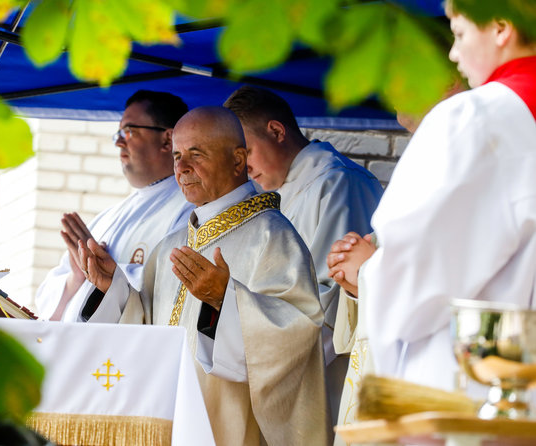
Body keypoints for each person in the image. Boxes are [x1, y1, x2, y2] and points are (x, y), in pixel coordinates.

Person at [77, 106, 331, 446]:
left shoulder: (271, 237)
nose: (181, 168)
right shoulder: (170, 244)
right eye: (178, 155)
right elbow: (149, 330)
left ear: (238, 160)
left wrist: (225, 301)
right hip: (168, 421)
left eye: (196, 154)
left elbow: (297, 336)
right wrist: (114, 288)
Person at [358, 0, 536, 393]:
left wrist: (369, 272)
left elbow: (413, 280)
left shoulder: (473, 117)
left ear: (501, 28)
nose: (454, 55)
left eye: (459, 34)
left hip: (469, 384)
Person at [223, 86, 383, 424]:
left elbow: (332, 297)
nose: (244, 168)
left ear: (277, 131)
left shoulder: (336, 182)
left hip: (315, 377)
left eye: (247, 151)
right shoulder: (279, 192)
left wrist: (269, 373)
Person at [34, 90, 194, 321]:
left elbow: (172, 284)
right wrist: (78, 277)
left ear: (167, 140)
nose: (118, 142)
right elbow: (47, 304)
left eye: (129, 131)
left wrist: (105, 272)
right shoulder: (106, 219)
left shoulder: (189, 209)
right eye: (118, 133)